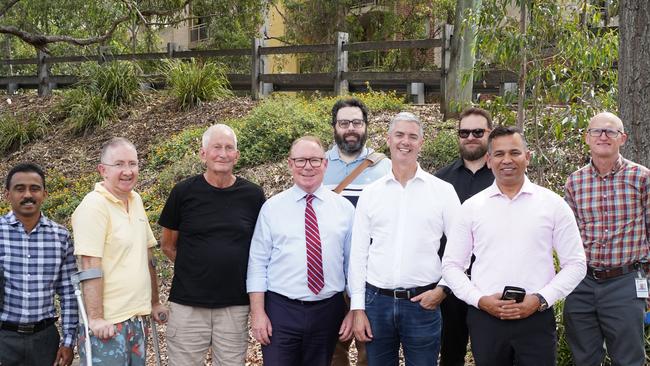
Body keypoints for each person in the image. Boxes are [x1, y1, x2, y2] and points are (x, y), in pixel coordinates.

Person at [442, 126, 586, 365]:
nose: (506, 160)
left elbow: (576, 264)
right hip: (485, 319)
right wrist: (479, 299)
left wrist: (541, 299)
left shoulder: (552, 204)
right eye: (498, 154)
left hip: (536, 320)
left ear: (527, 157)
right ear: (489, 160)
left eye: (514, 152)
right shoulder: (471, 207)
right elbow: (451, 266)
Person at [349, 112, 461, 366]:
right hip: (376, 302)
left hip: (423, 303)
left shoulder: (442, 192)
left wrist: (443, 289)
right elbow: (358, 255)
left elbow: (460, 248)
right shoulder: (371, 194)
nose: (405, 142)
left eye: (412, 136)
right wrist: (358, 309)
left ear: (421, 143)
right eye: (399, 135)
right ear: (388, 139)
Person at [159, 124, 265, 365]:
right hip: (187, 305)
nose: (223, 153)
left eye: (229, 148)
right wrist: (196, 268)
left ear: (237, 155)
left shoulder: (253, 195)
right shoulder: (183, 192)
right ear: (203, 153)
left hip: (234, 306)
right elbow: (167, 245)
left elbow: (260, 249)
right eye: (216, 147)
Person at [247, 136, 355, 366]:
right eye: (300, 160)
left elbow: (353, 266)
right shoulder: (272, 209)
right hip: (281, 311)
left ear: (325, 164)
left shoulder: (344, 209)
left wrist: (354, 309)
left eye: (315, 160)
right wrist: (258, 313)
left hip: (328, 311)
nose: (308, 167)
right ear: (290, 164)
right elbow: (257, 264)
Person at [72, 137, 169, 365]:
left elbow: (148, 256)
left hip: (136, 318)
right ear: (103, 170)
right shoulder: (93, 206)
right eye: (119, 164)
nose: (128, 171)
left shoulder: (135, 200)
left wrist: (154, 302)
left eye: (133, 164)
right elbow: (89, 264)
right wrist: (95, 318)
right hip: (108, 325)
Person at [564, 112, 650, 366]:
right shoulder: (575, 182)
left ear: (622, 138)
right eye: (596, 131)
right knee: (584, 358)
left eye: (610, 131)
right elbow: (568, 236)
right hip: (582, 283)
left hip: (625, 282)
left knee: (628, 359)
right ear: (586, 138)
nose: (603, 136)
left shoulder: (642, 178)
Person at [324, 98, 391, 366]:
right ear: (334, 127)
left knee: (370, 350)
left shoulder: (384, 167)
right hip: (330, 274)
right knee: (332, 349)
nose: (350, 128)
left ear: (365, 126)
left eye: (356, 122)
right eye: (344, 123)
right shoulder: (319, 164)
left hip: (370, 274)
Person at [0, 163, 77, 366]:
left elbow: (69, 293)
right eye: (20, 188)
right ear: (7, 194)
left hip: (45, 341)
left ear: (44, 193)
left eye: (34, 188)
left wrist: (68, 341)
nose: (28, 194)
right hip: (3, 339)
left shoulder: (60, 237)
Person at [434, 107, 494, 366]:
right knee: (450, 354)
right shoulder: (440, 181)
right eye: (464, 132)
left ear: (490, 134)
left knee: (492, 354)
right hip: (451, 285)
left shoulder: (503, 177)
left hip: (491, 282)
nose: (470, 137)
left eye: (478, 131)